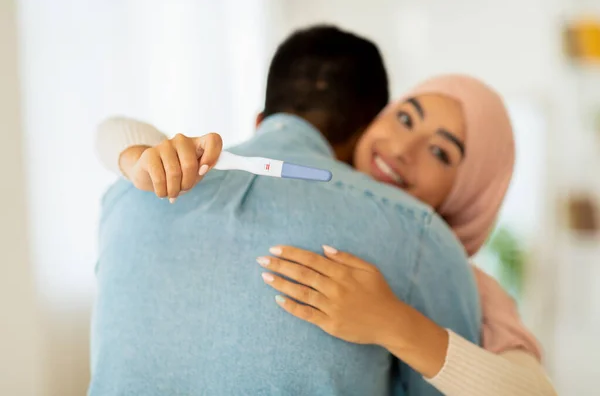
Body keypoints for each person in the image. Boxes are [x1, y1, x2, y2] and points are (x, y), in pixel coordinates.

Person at [96, 75, 557, 396]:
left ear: (468, 190)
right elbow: (110, 130)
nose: (401, 149)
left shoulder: (460, 275)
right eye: (403, 119)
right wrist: (143, 156)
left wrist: (393, 322)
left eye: (439, 152)